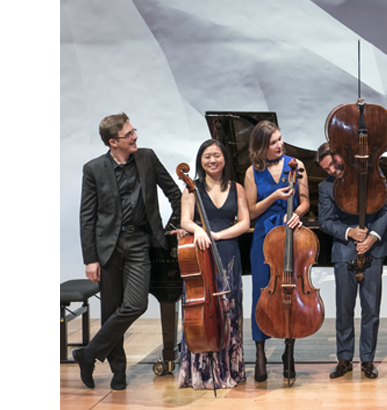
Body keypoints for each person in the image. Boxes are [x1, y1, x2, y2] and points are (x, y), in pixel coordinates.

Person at [74, 113, 183, 390]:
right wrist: (90, 259)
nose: (135, 136)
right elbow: (87, 217)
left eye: (134, 131)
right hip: (107, 248)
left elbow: (175, 193)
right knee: (111, 309)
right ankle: (118, 371)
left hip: (139, 243)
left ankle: (87, 354)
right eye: (129, 133)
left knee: (136, 304)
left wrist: (174, 226)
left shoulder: (147, 158)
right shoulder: (94, 169)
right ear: (113, 142)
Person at [174, 140, 251, 389]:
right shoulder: (191, 188)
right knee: (202, 309)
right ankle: (201, 371)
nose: (212, 160)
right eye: (207, 156)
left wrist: (219, 234)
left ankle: (230, 369)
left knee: (230, 311)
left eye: (216, 155)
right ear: (200, 161)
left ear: (224, 158)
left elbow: (244, 222)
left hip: (228, 251)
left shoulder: (236, 188)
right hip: (201, 251)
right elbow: (185, 220)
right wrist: (199, 230)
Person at [315, 142, 387, 380]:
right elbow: (325, 221)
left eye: (332, 164)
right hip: (345, 251)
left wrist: (372, 237)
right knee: (344, 309)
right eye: (326, 169)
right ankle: (345, 359)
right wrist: (349, 232)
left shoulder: (373, 175)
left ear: (340, 156)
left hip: (374, 249)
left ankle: (367, 360)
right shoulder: (326, 187)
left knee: (371, 309)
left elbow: (386, 208)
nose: (331, 171)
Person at [240, 120, 309, 382]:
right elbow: (252, 210)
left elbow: (304, 202)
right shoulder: (251, 172)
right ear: (261, 147)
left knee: (288, 290)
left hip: (289, 233)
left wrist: (297, 215)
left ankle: (289, 349)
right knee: (262, 293)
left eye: (280, 139)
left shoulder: (297, 165)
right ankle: (260, 352)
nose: (279, 145)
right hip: (263, 237)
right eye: (273, 142)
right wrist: (273, 198)